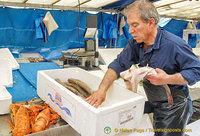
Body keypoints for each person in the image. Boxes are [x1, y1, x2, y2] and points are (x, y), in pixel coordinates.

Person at [86, 0, 200, 135]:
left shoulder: (174, 45)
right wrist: (101, 90)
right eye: (129, 25)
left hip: (174, 105)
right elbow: (118, 64)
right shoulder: (135, 43)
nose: (130, 31)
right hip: (156, 99)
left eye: (135, 25)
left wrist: (167, 78)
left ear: (151, 22)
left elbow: (196, 71)